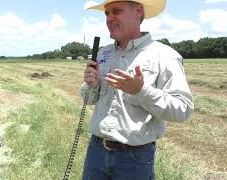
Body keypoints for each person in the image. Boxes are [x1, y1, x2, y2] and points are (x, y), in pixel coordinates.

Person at [81, 0, 194, 179]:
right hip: (96, 151)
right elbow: (88, 98)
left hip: (134, 159)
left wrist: (141, 91)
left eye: (116, 11)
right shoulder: (103, 54)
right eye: (106, 13)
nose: (109, 18)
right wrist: (92, 86)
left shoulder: (165, 56)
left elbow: (182, 110)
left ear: (138, 12)